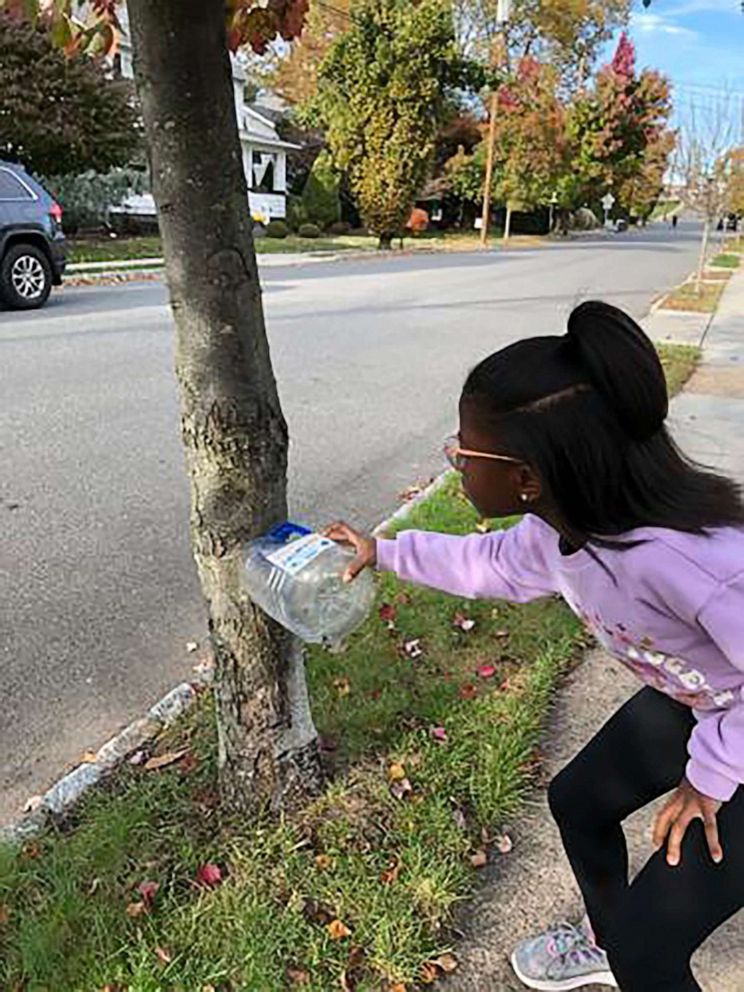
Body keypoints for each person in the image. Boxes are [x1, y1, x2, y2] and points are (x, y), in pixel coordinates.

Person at [325, 300, 744, 992]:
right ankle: (606, 946)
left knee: (651, 949)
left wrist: (710, 775)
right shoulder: (560, 530)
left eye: (465, 450)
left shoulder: (691, 562)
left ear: (527, 476)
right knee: (580, 801)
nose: (456, 461)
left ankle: (629, 953)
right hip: (706, 697)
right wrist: (383, 551)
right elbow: (486, 566)